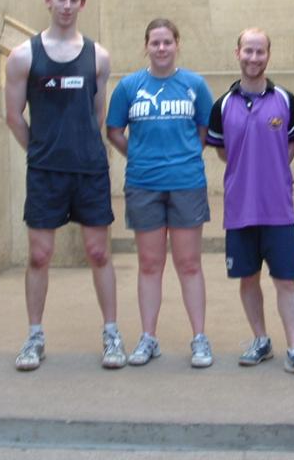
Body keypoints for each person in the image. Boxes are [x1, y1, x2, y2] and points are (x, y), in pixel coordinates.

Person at [5, 0, 126, 372]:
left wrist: (88, 152)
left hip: (89, 171)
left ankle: (111, 334)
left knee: (97, 252)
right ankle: (34, 337)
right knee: (39, 256)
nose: (67, 4)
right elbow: (13, 117)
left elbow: (98, 113)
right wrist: (41, 153)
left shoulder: (99, 57)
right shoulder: (24, 56)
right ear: (48, 0)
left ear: (82, 4)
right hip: (45, 173)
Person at [206, 28, 294, 380]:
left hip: (277, 210)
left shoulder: (286, 101)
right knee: (248, 279)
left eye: (260, 52)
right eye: (248, 51)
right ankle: (261, 340)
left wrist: (270, 169)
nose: (253, 58)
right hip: (239, 208)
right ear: (237, 53)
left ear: (268, 55)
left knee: (286, 280)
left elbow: (291, 146)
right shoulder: (222, 105)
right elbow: (223, 151)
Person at [106, 18, 215, 368]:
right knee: (150, 264)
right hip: (143, 185)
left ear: (177, 44)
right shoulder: (129, 86)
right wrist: (139, 156)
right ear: (146, 46)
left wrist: (183, 158)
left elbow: (204, 130)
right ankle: (148, 338)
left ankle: (199, 339)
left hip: (186, 184)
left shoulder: (194, 84)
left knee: (189, 264)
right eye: (155, 43)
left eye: (167, 42)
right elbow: (115, 131)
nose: (162, 48)